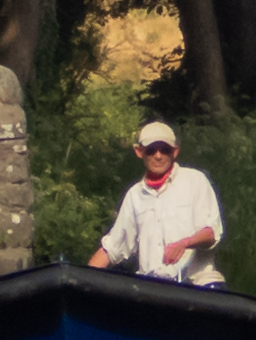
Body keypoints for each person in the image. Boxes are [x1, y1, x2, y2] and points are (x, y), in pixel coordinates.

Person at [87, 121, 226, 288]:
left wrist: (184, 244)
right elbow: (112, 248)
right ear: (139, 152)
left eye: (164, 149)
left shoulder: (195, 181)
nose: (158, 155)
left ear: (175, 151)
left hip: (196, 286)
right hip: (153, 289)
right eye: (151, 150)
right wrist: (81, 281)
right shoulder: (134, 195)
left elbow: (211, 233)